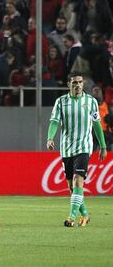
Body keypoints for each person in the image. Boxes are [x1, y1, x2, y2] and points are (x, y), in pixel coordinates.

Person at [47, 72, 107, 227]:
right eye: (74, 83)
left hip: (84, 147)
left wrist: (103, 146)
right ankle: (85, 215)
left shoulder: (91, 102)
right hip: (66, 148)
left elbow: (96, 125)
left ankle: (71, 217)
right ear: (69, 85)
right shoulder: (61, 102)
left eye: (80, 82)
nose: (78, 85)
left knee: (78, 180)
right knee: (71, 186)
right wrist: (50, 138)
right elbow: (54, 122)